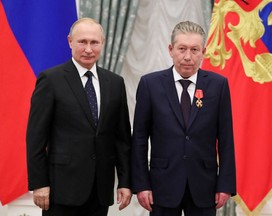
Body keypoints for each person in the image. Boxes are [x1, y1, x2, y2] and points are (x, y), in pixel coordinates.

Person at [26, 17, 132, 216]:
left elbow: (122, 139)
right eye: (82, 42)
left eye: (94, 42)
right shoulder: (51, 80)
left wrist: (125, 182)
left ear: (103, 43)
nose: (88, 49)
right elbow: (36, 138)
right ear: (70, 41)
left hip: (100, 191)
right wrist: (39, 183)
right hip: (61, 190)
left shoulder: (115, 83)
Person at [131, 21, 236, 216]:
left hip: (205, 185)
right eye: (182, 49)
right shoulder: (150, 84)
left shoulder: (218, 85)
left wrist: (225, 184)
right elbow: (138, 139)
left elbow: (226, 138)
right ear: (171, 50)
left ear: (203, 51)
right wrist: (141, 184)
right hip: (162, 184)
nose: (188, 56)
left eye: (195, 50)